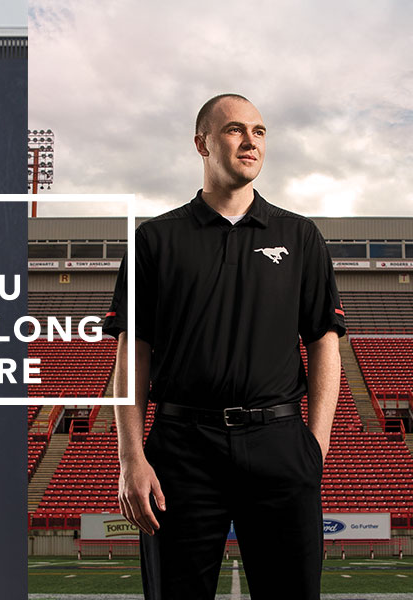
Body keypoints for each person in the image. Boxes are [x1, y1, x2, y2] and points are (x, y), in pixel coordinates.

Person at [103, 93, 345, 599]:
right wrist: (130, 456)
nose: (250, 141)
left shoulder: (300, 236)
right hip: (183, 447)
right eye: (235, 130)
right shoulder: (154, 240)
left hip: (279, 443)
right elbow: (133, 352)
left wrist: (314, 447)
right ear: (202, 143)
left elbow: (324, 342)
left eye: (259, 132)